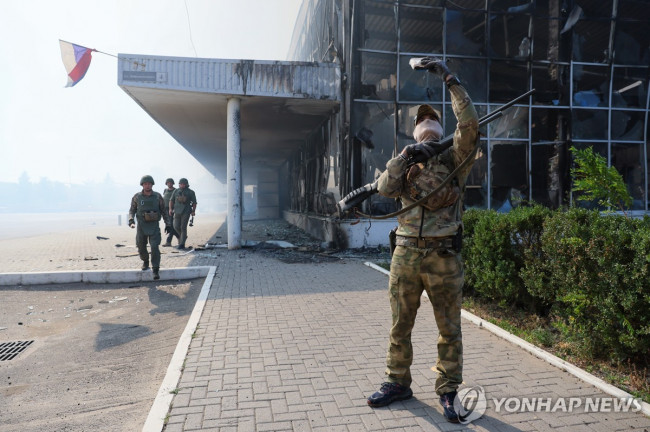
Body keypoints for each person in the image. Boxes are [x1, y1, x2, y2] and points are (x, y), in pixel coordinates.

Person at [367, 57, 479, 424]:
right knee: (400, 325)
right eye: (420, 125)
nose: (426, 127)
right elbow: (384, 189)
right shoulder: (405, 161)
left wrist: (449, 78)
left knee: (449, 328)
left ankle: (448, 390)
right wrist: (402, 158)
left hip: (444, 254)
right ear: (414, 133)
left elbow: (469, 124)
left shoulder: (456, 158)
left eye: (431, 123)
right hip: (406, 254)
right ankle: (397, 382)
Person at [128, 175, 172, 280]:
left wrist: (168, 224)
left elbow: (164, 211)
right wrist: (131, 221)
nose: (147, 186)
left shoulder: (157, 196)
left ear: (152, 184)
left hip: (154, 227)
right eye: (145, 184)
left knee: (154, 247)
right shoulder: (137, 197)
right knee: (141, 246)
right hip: (141, 227)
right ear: (142, 185)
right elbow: (132, 210)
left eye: (149, 184)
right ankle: (145, 261)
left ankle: (155, 269)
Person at [169, 178, 197, 250]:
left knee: (183, 227)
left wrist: (193, 211)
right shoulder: (176, 191)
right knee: (176, 226)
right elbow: (171, 200)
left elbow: (194, 202)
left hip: (186, 211)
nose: (182, 185)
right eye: (181, 184)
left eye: (184, 184)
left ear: (187, 184)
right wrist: (170, 209)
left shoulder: (191, 192)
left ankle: (182, 244)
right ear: (179, 184)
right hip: (177, 211)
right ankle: (183, 237)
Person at [161, 178, 180, 247]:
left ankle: (168, 241)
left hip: (172, 210)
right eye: (168, 183)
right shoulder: (165, 190)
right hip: (165, 210)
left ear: (173, 183)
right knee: (169, 225)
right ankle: (179, 237)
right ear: (166, 183)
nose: (169, 184)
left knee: (171, 225)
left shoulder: (176, 191)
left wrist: (172, 209)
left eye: (171, 183)